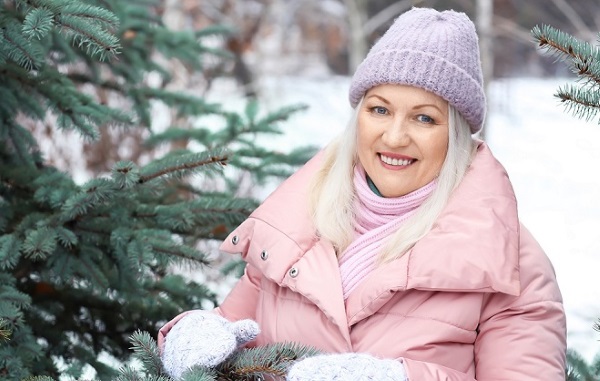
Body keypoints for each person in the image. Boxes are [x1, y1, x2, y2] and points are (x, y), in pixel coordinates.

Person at [158, 7, 567, 380]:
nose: (394, 136)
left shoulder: (507, 261)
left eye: (424, 118)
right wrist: (192, 334)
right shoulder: (294, 224)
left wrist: (400, 378)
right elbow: (234, 333)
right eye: (379, 109)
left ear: (456, 135)